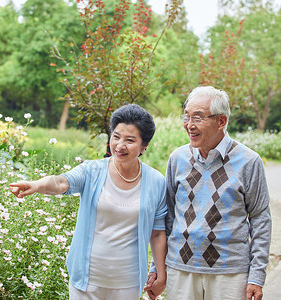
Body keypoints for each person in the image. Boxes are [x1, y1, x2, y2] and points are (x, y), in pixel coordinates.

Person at [10, 104, 167, 300]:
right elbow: (61, 182)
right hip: (86, 281)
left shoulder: (156, 181)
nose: (119, 145)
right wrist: (36, 185)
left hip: (128, 282)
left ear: (144, 145)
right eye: (116, 137)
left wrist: (161, 273)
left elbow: (158, 232)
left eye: (130, 140)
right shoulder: (92, 171)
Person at [146, 86, 272, 300]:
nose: (189, 125)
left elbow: (260, 218)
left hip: (230, 273)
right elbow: (167, 218)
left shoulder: (249, 162)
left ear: (221, 121)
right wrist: (157, 268)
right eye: (186, 116)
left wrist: (256, 276)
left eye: (197, 117)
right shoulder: (178, 159)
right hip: (181, 268)